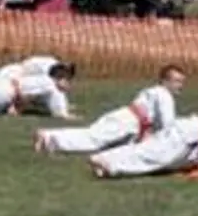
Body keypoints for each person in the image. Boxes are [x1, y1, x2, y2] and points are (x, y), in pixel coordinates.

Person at [35, 65, 183, 155]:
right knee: (93, 140)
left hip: (127, 121)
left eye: (181, 81)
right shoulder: (164, 94)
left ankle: (51, 137)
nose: (180, 85)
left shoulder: (154, 91)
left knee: (98, 141)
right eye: (176, 81)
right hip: (127, 122)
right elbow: (167, 124)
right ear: (164, 81)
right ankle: (49, 137)